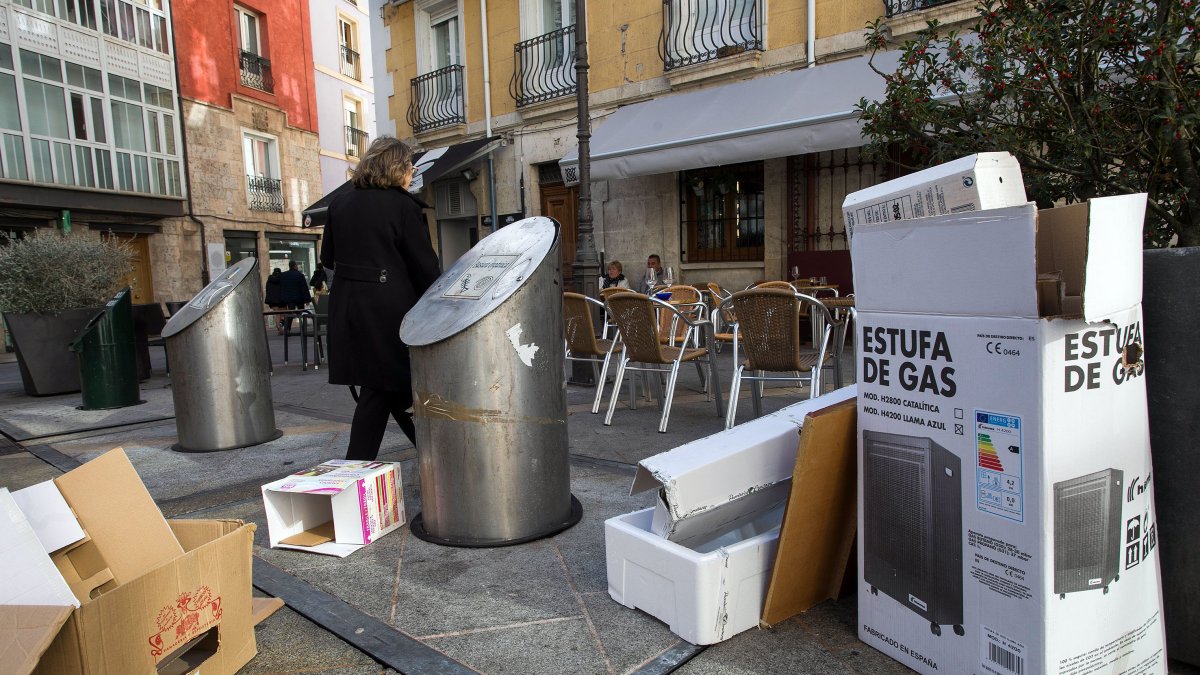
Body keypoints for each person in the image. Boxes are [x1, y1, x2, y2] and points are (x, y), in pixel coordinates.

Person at [320, 136, 441, 461]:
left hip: (350, 314)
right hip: (390, 316)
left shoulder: (340, 204)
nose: (413, 171)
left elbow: (328, 258)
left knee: (385, 390)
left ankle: (436, 462)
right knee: (390, 387)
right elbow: (426, 269)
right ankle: (441, 465)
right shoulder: (403, 207)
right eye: (409, 165)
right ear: (396, 168)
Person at [279, 260, 312, 333]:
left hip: (289, 298)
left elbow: (282, 287)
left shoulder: (284, 275)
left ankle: (287, 329)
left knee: (290, 313)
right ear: (295, 266)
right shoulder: (299, 275)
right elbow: (304, 288)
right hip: (299, 298)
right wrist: (307, 299)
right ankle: (303, 328)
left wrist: (283, 298)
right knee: (301, 313)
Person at [264, 268, 285, 333]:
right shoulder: (281, 279)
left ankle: (279, 328)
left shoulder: (269, 280)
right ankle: (281, 326)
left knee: (277, 313)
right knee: (283, 313)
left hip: (272, 301)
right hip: (280, 300)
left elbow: (267, 290)